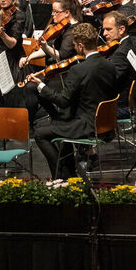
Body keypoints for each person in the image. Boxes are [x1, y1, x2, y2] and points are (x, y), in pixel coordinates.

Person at [27, 23, 117, 177]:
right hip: (106, 125)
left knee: (40, 133)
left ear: (81, 46)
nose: (75, 48)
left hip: (86, 127)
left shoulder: (78, 69)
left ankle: (62, 175)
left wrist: (41, 85)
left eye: (75, 45)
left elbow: (62, 101)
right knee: (60, 122)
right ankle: (68, 170)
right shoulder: (110, 65)